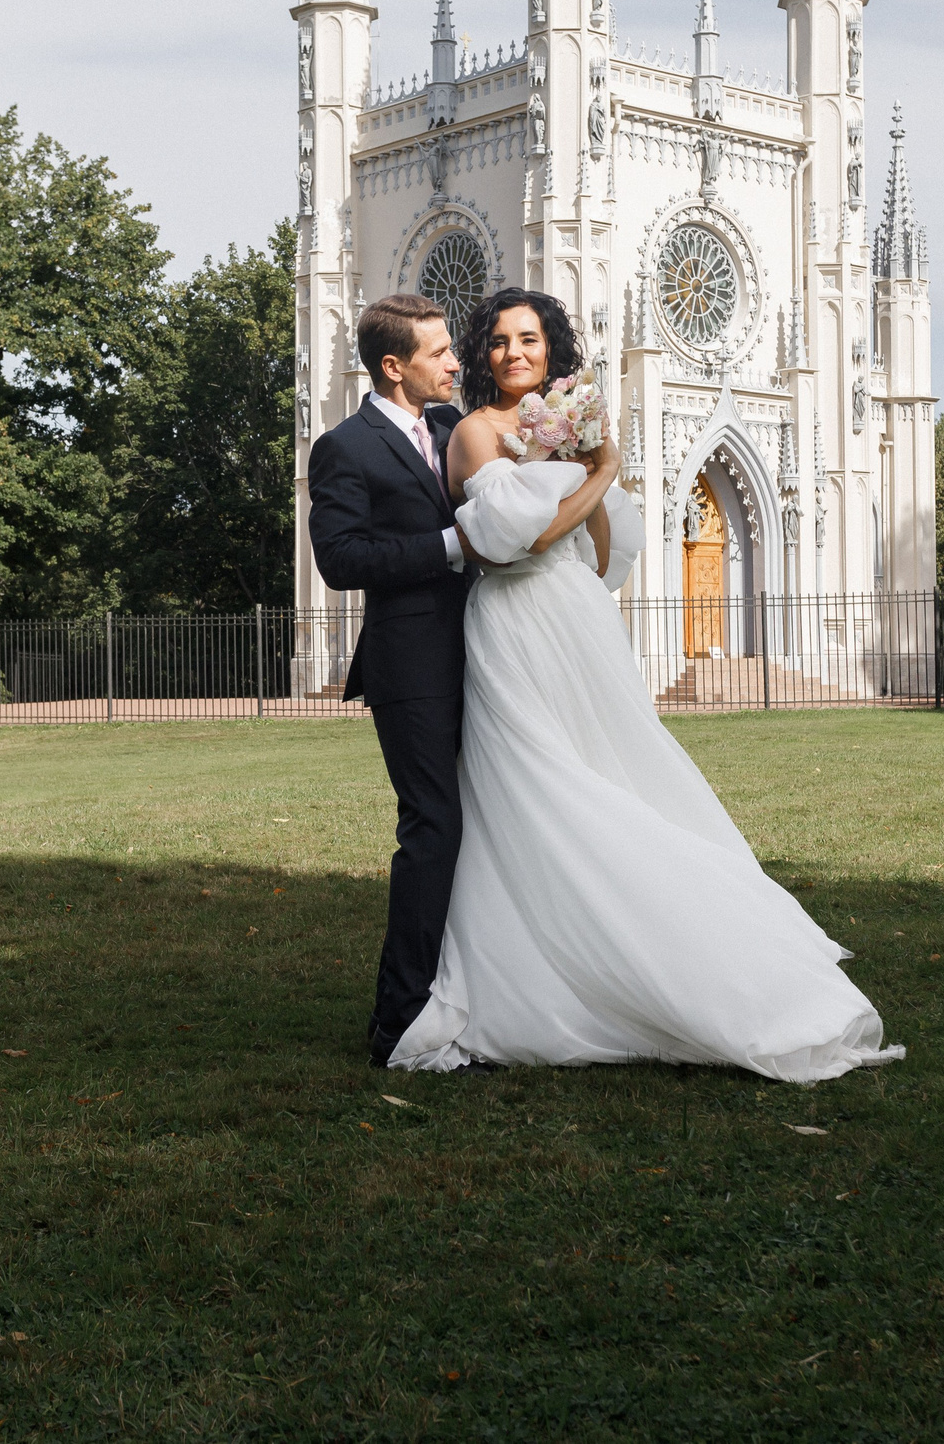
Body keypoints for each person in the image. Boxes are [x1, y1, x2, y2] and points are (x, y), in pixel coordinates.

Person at [387, 288, 902, 1081]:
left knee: (618, 773)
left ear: (553, 349)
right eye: (495, 341)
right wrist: (604, 468)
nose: (511, 353)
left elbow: (597, 549)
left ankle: (690, 946)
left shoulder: (553, 425)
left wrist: (588, 471)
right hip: (514, 623)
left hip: (578, 620)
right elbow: (506, 547)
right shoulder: (475, 435)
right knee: (538, 785)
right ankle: (548, 962)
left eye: (528, 338)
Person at [305, 294, 480, 1070]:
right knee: (433, 828)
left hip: (486, 653)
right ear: (393, 366)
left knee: (482, 822)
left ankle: (470, 993)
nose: (453, 362)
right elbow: (341, 559)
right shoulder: (345, 448)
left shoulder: (452, 428)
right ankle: (398, 1021)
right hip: (409, 666)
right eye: (439, 353)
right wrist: (449, 545)